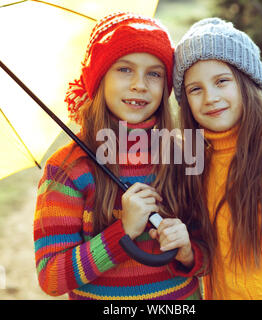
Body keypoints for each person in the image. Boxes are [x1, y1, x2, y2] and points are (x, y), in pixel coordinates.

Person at [34, 12, 207, 300]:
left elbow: (210, 250)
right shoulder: (68, 171)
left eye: (154, 73)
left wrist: (189, 252)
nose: (140, 84)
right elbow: (52, 278)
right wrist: (122, 231)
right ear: (99, 78)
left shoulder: (183, 156)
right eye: (124, 69)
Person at [173, 17, 262, 299]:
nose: (211, 97)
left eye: (221, 81)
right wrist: (185, 251)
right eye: (196, 89)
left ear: (246, 83)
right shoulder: (195, 164)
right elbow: (207, 256)